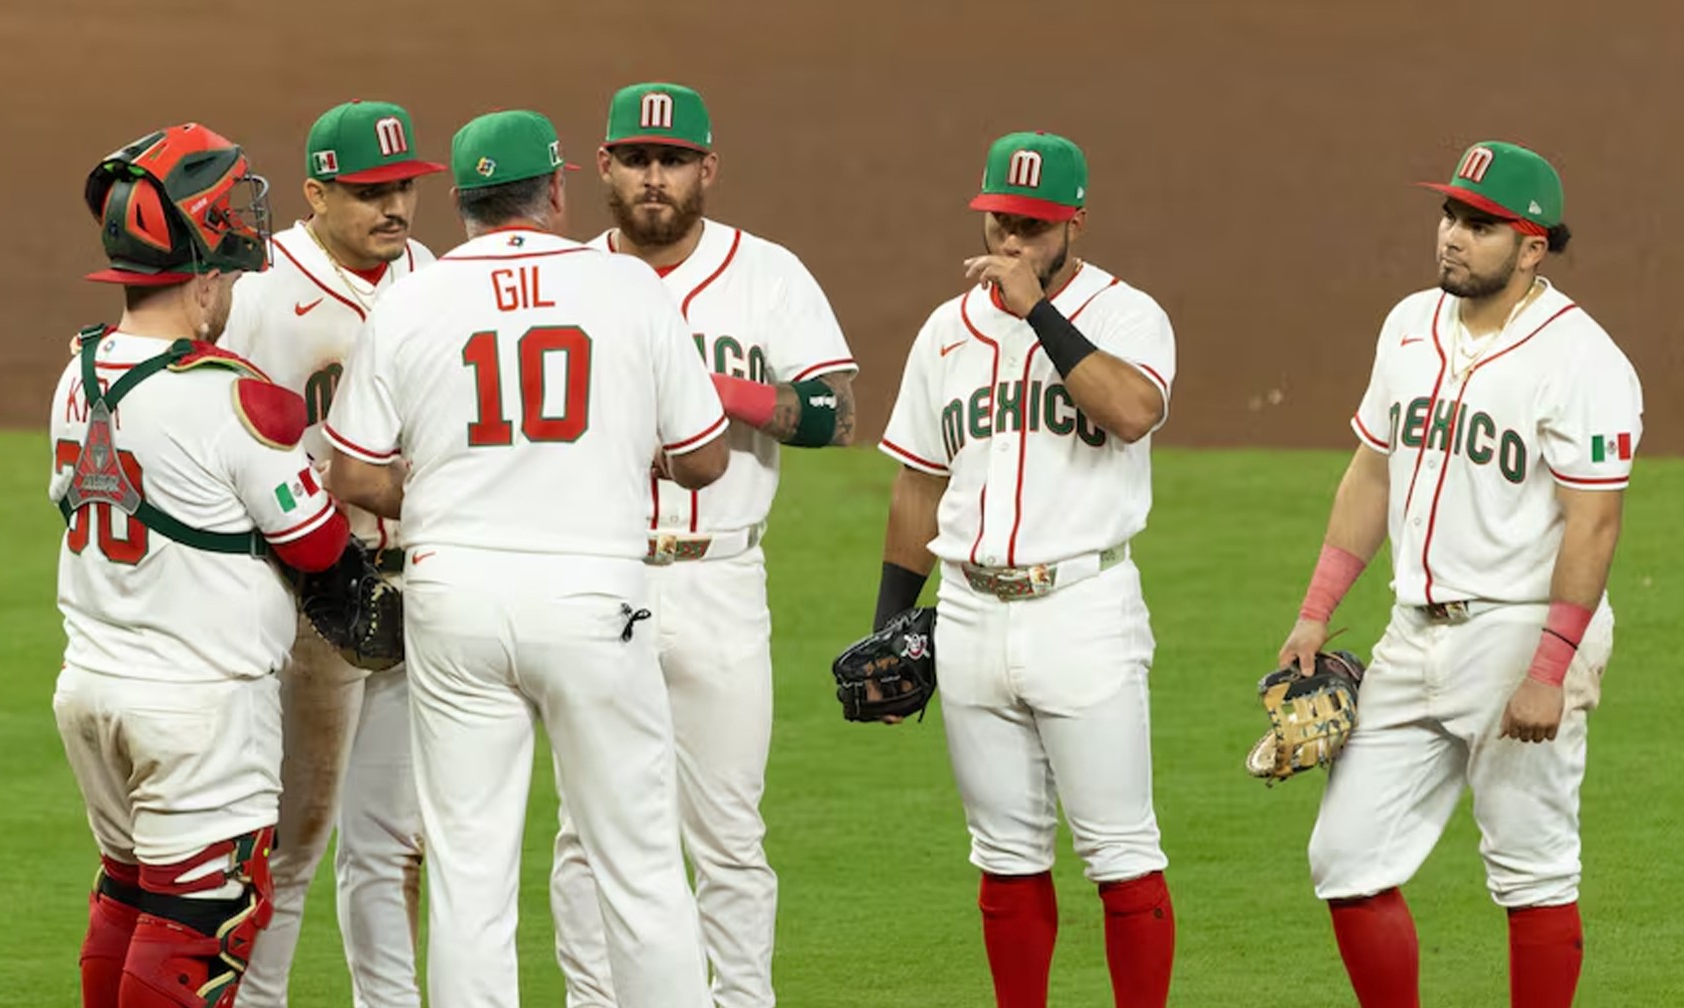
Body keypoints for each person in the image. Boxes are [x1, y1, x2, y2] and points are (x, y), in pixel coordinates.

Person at [322, 109, 727, 1008]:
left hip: (454, 594)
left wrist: (436, 491)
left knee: (469, 872)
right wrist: (616, 453)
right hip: (591, 595)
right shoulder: (626, 287)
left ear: (461, 201)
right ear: (557, 190)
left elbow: (354, 469)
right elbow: (703, 457)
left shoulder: (412, 296)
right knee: (639, 860)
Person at [1275, 141, 1640, 1008]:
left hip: (1519, 633)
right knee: (1346, 860)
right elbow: (1371, 471)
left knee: (1532, 870)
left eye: (1481, 225)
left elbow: (1595, 522)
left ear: (1532, 247)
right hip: (1411, 635)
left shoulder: (1585, 361)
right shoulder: (1407, 324)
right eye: (1450, 215)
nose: (1453, 237)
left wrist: (1550, 671)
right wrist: (1316, 612)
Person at [548, 81, 857, 1008]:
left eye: (673, 160)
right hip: (599, 579)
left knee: (727, 831)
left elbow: (837, 417)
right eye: (636, 160)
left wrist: (706, 387)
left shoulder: (768, 275)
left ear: (706, 170)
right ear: (601, 166)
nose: (654, 178)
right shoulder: (562, 279)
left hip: (720, 580)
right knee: (585, 831)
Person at [871, 131, 1178, 1008]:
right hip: (969, 615)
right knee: (1004, 858)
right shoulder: (945, 331)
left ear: (1075, 221)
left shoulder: (1128, 315)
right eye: (1002, 220)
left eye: (1034, 227)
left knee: (1120, 855)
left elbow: (1130, 412)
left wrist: (1038, 309)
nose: (1012, 242)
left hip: (1082, 607)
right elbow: (918, 482)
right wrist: (894, 618)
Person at [50, 123, 351, 1008]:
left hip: (92, 685)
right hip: (199, 707)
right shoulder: (231, 397)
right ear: (207, 267)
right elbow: (320, 546)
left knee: (129, 894)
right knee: (198, 927)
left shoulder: (76, 371)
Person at [222, 98, 445, 1008]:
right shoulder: (259, 290)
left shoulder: (430, 274)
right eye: (367, 191)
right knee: (293, 838)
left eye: (403, 186)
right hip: (306, 601)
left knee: (396, 842)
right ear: (314, 193)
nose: (392, 206)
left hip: (420, 590)